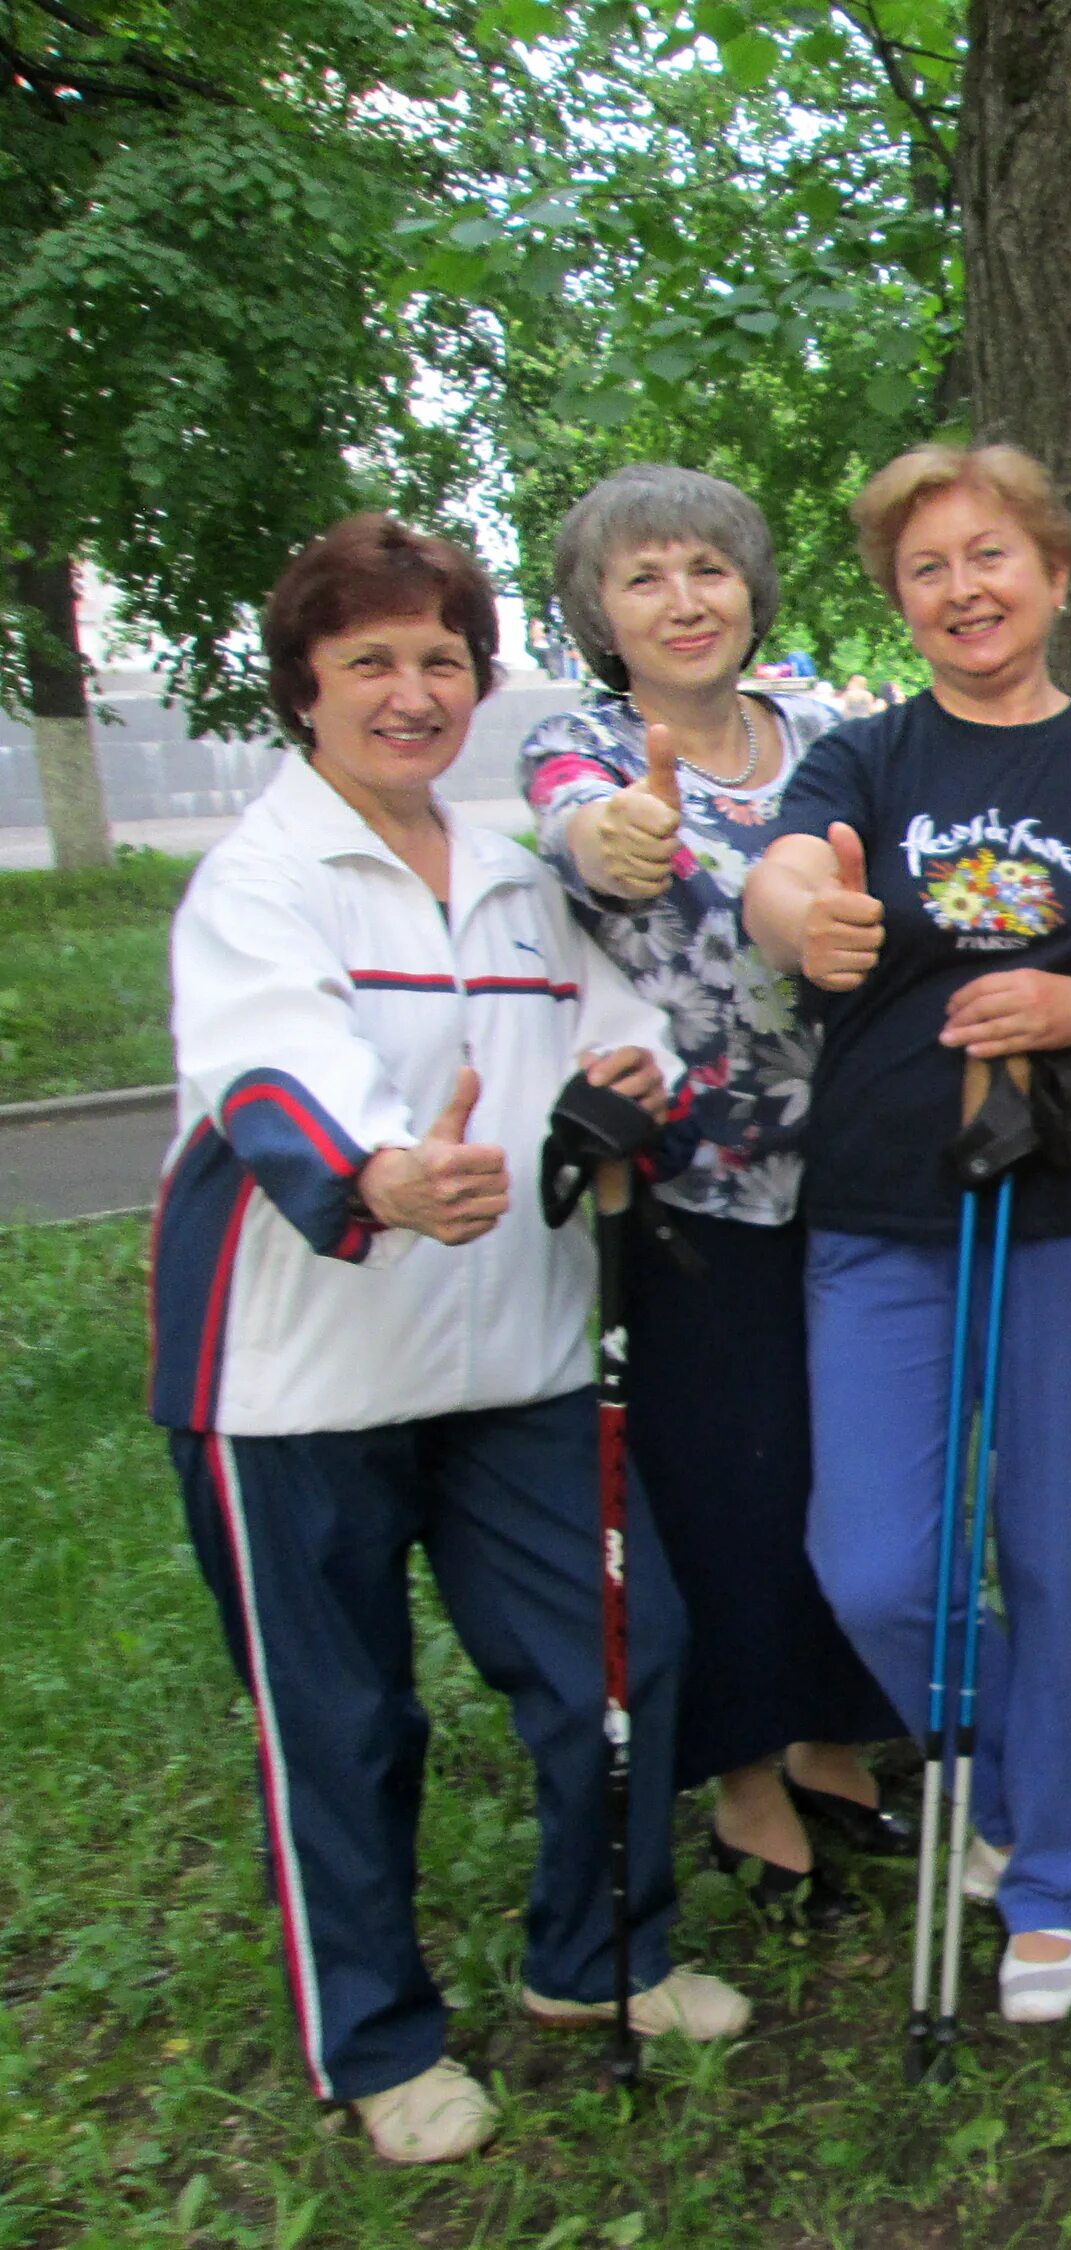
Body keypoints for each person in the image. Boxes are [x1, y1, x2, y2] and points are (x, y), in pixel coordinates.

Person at [154, 515, 744, 2167]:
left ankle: (597, 1958)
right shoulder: (259, 881)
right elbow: (267, 1070)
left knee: (624, 1657)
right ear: (306, 691)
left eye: (439, 662)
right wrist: (379, 1172)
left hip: (515, 1360)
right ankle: (377, 2037)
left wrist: (629, 1096)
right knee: (342, 1723)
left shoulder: (507, 874)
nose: (410, 695)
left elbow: (618, 1031)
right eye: (370, 665)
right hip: (297, 1380)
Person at [742, 442, 1071, 2023]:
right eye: (926, 569)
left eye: (989, 555)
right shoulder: (863, 761)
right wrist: (813, 917)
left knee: (1062, 1553)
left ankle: (1053, 1872)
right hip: (882, 1209)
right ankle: (1015, 1752)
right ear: (899, 603)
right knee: (869, 1564)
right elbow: (781, 879)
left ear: (1055, 574)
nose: (962, 590)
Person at [517, 465, 904, 1923]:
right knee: (730, 1488)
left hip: (861, 1175)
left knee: (845, 1471)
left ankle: (833, 1733)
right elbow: (584, 829)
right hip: (693, 1190)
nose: (683, 601)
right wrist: (616, 833)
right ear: (600, 615)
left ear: (752, 590)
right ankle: (747, 1779)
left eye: (708, 570)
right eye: (645, 578)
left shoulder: (826, 732)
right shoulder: (583, 746)